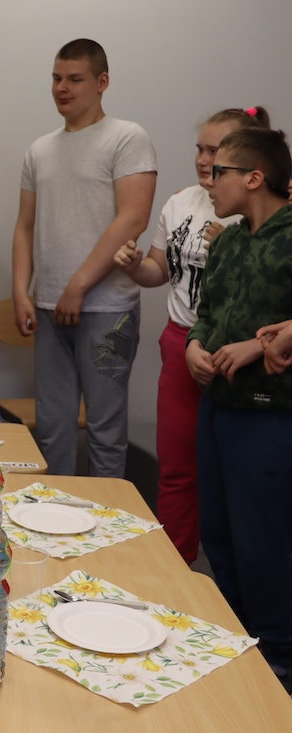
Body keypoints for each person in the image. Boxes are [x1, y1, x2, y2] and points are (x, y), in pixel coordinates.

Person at [112, 107, 270, 564]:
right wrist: (134, 266)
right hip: (182, 342)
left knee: (235, 475)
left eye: (215, 150)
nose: (203, 159)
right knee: (177, 469)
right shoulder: (180, 202)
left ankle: (237, 580)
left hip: (241, 352)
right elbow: (159, 270)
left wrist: (232, 249)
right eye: (200, 148)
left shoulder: (263, 211)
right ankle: (175, 567)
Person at [11, 38, 157, 477]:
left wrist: (77, 287)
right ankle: (52, 514)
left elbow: (133, 218)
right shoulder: (39, 149)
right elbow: (25, 226)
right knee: (52, 430)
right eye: (57, 78)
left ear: (101, 82)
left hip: (106, 309)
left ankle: (106, 519)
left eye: (75, 79)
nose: (62, 88)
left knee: (104, 433)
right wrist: (20, 292)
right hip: (48, 308)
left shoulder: (127, 138)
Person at [185, 126, 292, 693]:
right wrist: (194, 347)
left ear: (254, 178)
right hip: (218, 407)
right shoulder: (225, 242)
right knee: (219, 533)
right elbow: (205, 313)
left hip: (270, 412)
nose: (209, 178)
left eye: (220, 170)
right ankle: (236, 636)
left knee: (264, 540)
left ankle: (279, 655)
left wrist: (257, 343)